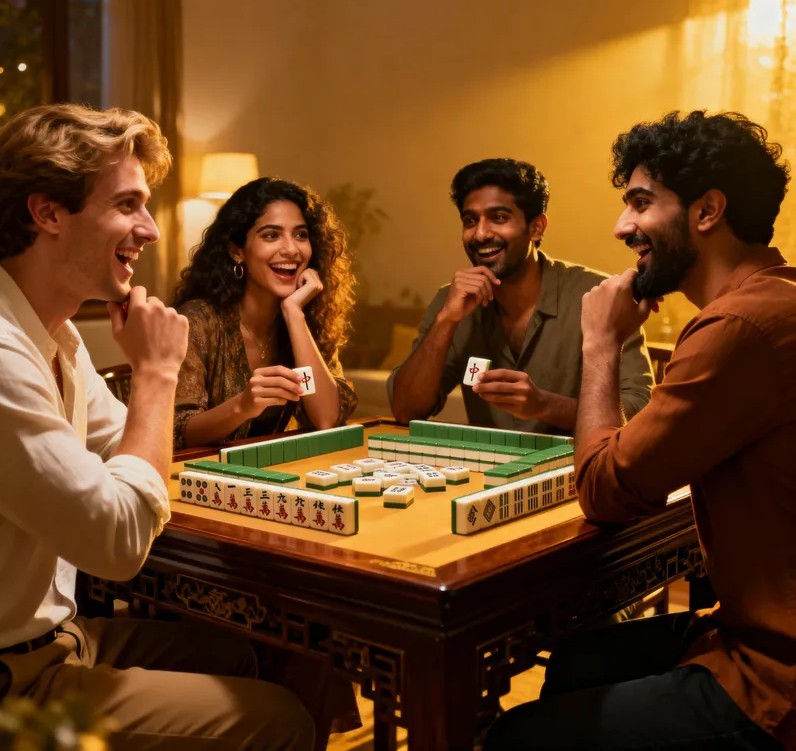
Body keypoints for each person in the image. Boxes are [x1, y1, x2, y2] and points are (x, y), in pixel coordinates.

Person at [0, 104, 314, 750]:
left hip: (56, 636)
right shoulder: (2, 353)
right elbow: (116, 546)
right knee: (280, 720)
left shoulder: (58, 337)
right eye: (128, 205)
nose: (149, 230)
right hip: (10, 682)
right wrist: (157, 372)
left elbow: (134, 449)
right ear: (48, 212)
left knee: (244, 653)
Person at [485, 111, 795, 749]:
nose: (622, 226)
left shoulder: (738, 328)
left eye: (641, 203)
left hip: (775, 673)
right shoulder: (775, 299)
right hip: (745, 625)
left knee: (515, 736)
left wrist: (600, 341)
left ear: (707, 211)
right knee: (579, 661)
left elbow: (604, 489)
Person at [388, 158, 654, 434]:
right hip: (487, 462)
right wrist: (446, 319)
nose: (480, 234)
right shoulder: (453, 301)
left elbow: (640, 412)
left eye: (498, 218)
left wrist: (544, 405)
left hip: (578, 461)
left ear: (536, 228)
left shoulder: (600, 295)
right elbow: (405, 409)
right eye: (470, 221)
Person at [172, 177, 357, 450]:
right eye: (271, 235)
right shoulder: (195, 322)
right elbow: (178, 433)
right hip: (201, 472)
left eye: (300, 235)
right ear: (237, 252)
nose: (291, 249)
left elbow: (326, 419)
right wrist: (243, 406)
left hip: (273, 469)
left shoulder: (307, 318)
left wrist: (294, 314)